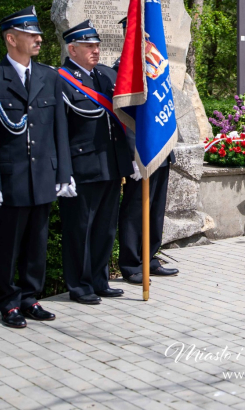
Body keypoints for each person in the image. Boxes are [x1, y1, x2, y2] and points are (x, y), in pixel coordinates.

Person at [0, 6, 74, 328]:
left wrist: (63, 172)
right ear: (11, 38)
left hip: (42, 175)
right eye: (31, 34)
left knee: (37, 242)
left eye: (38, 34)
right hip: (11, 177)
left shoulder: (48, 76)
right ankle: (9, 303)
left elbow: (60, 129)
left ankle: (31, 297)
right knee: (9, 244)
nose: (39, 39)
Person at [58, 20, 133, 304]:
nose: (96, 50)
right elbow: (60, 130)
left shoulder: (104, 75)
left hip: (111, 164)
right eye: (89, 46)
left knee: (105, 227)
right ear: (72, 49)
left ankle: (100, 280)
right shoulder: (62, 79)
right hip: (83, 167)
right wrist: (64, 172)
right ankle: (79, 285)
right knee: (80, 230)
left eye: (97, 45)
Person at [112, 17, 178, 284]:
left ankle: (150, 258)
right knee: (135, 210)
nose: (147, 37)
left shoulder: (155, 65)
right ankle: (130, 264)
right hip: (140, 153)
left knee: (155, 209)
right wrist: (132, 156)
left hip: (159, 150)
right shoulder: (123, 70)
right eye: (141, 33)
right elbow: (125, 117)